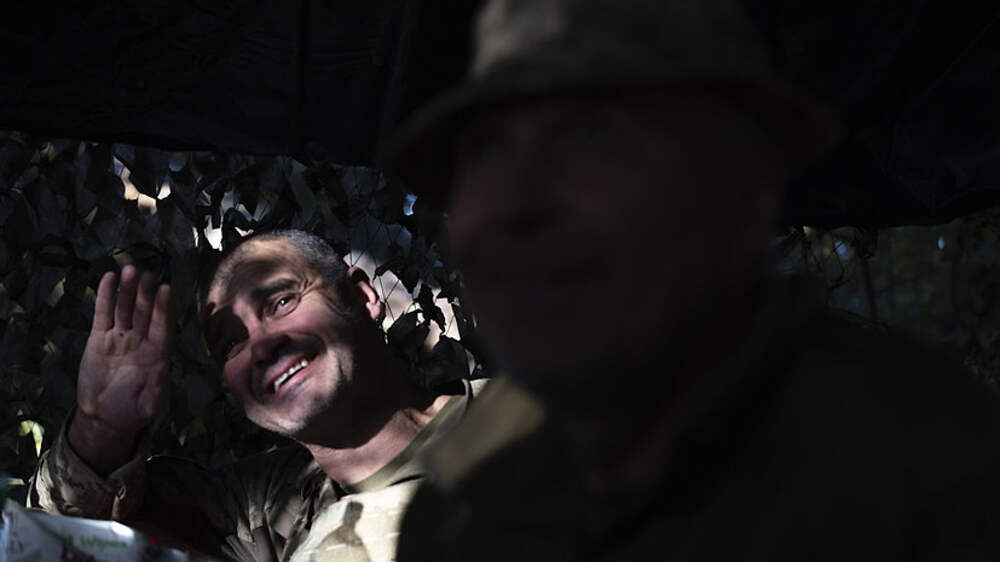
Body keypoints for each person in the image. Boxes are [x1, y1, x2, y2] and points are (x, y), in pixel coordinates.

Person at [383, 0, 1000, 559]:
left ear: (742, 188)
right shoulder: (459, 509)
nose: (513, 205)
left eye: (589, 135)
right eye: (484, 151)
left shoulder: (923, 473)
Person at [29, 230, 484, 561]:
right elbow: (56, 537)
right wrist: (102, 428)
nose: (262, 347)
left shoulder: (517, 420)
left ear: (363, 295)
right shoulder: (261, 510)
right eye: (232, 343)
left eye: (282, 302)